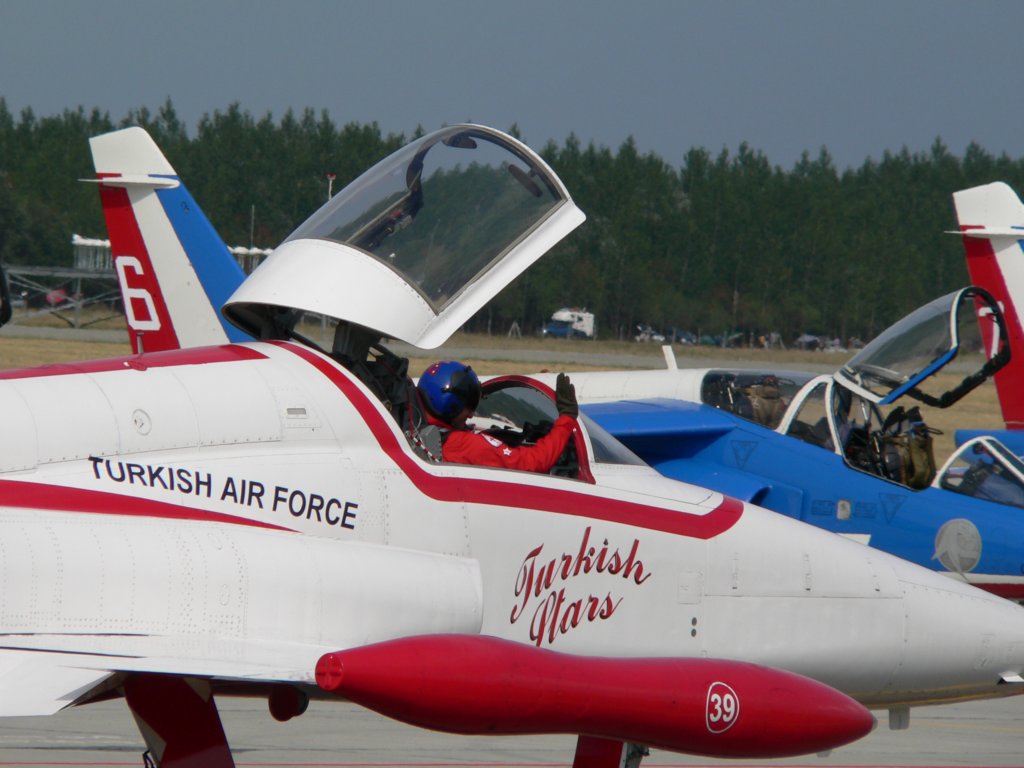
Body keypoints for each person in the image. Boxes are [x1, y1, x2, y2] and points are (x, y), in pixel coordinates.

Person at [415, 361, 578, 472]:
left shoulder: (414, 425)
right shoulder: (463, 445)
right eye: (469, 406)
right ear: (450, 405)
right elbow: (533, 462)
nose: (471, 415)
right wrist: (567, 417)